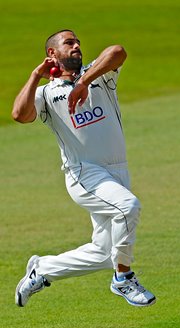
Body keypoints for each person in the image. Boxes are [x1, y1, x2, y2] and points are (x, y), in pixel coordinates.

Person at [12, 29, 156, 308]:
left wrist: (84, 83)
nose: (77, 45)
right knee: (128, 207)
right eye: (69, 43)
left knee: (103, 253)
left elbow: (118, 51)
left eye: (77, 41)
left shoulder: (100, 75)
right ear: (52, 54)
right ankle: (123, 278)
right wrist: (34, 76)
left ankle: (42, 270)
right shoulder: (46, 94)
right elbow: (20, 114)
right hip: (84, 174)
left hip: (117, 172)